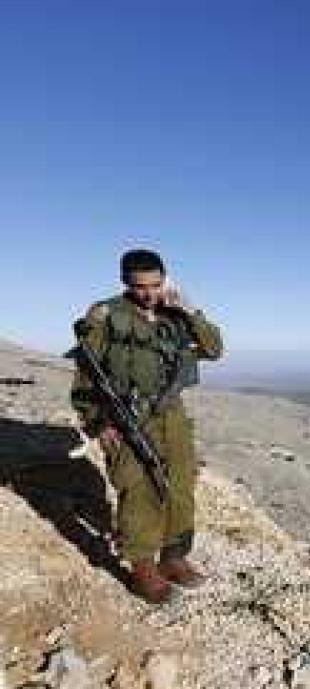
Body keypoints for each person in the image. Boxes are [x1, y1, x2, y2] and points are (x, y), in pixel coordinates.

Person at [70, 249, 224, 603]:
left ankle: (173, 557)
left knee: (181, 484)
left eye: (156, 284)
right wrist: (97, 423)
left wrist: (190, 309)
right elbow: (85, 375)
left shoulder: (175, 314)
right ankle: (142, 568)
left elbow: (214, 349)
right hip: (126, 419)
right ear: (126, 282)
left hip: (172, 416)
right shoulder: (106, 316)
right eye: (140, 286)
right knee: (137, 490)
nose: (149, 293)